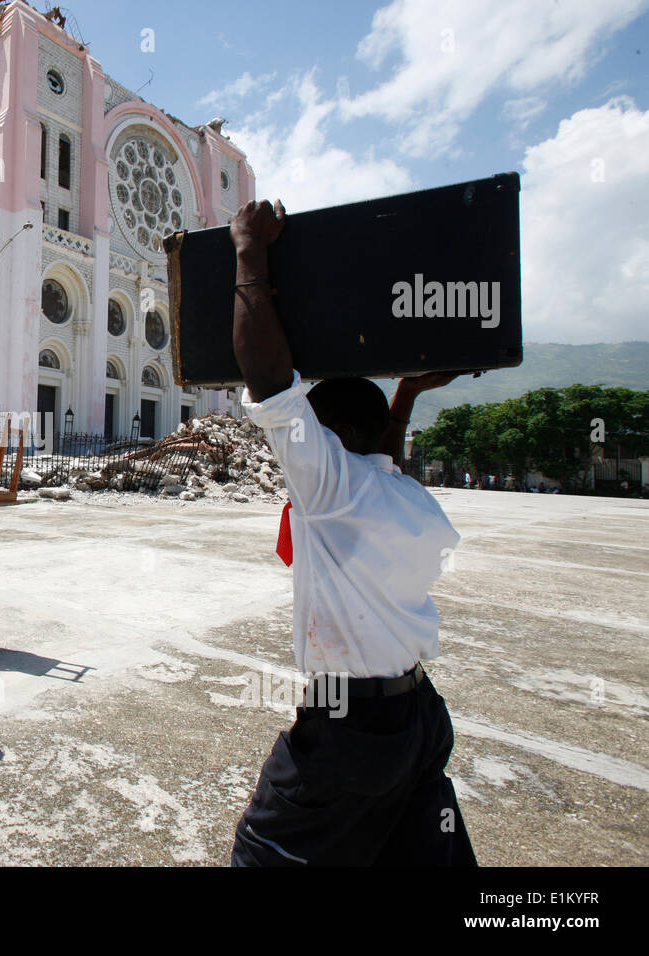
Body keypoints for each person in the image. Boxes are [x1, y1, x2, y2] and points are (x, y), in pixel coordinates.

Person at [227, 197, 476, 867]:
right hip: (418, 719)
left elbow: (268, 378)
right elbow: (382, 457)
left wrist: (249, 252)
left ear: (330, 441)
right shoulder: (405, 498)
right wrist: (409, 395)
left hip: (350, 734)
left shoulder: (332, 489)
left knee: (264, 856)